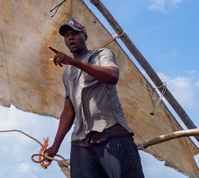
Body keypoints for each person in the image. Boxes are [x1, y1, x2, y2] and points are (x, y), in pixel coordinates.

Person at [44, 19, 144, 178]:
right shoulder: (67, 74)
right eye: (67, 35)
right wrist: (55, 146)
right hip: (81, 142)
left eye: (75, 33)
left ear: (85, 36)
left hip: (111, 133)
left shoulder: (101, 54)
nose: (71, 37)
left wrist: (73, 62)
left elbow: (112, 76)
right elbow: (69, 112)